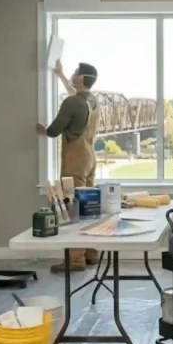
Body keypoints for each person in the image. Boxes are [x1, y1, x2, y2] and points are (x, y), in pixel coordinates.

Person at [38, 60, 100, 273]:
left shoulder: (71, 103)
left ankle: (75, 260)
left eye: (75, 72)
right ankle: (91, 253)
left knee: (73, 208)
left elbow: (54, 130)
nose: (73, 74)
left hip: (75, 160)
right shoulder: (93, 100)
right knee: (90, 208)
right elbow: (76, 96)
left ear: (81, 78)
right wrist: (61, 75)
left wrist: (43, 131)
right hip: (90, 158)